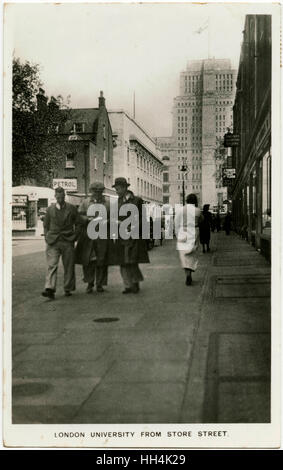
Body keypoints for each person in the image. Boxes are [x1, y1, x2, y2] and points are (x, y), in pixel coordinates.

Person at [109, 177, 149, 294]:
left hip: (133, 235)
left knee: (132, 261)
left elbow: (143, 218)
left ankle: (135, 283)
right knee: (122, 261)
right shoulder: (117, 202)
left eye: (118, 188)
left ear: (125, 188)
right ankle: (127, 285)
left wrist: (133, 226)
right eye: (115, 189)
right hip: (121, 236)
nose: (116, 191)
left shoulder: (137, 200)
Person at [41, 186, 81, 300]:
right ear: (55, 197)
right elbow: (46, 225)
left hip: (68, 241)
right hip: (53, 241)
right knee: (52, 265)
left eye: (62, 196)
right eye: (58, 197)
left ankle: (68, 288)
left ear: (65, 196)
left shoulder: (72, 208)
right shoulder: (49, 209)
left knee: (69, 266)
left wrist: (75, 236)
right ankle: (49, 289)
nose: (60, 199)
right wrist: (47, 238)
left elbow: (78, 223)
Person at [75, 182, 109, 294]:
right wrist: (87, 219)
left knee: (101, 260)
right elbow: (78, 217)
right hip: (88, 236)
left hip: (102, 235)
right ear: (91, 191)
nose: (97, 193)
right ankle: (89, 283)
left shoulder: (107, 203)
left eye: (100, 191)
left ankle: (99, 284)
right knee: (88, 260)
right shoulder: (85, 202)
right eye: (95, 191)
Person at [175, 193, 203, 286]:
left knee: (184, 255)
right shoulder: (198, 211)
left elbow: (176, 223)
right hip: (193, 231)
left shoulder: (180, 210)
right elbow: (201, 221)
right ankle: (189, 273)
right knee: (191, 254)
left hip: (182, 232)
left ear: (186, 200)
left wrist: (177, 234)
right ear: (195, 201)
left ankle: (187, 274)